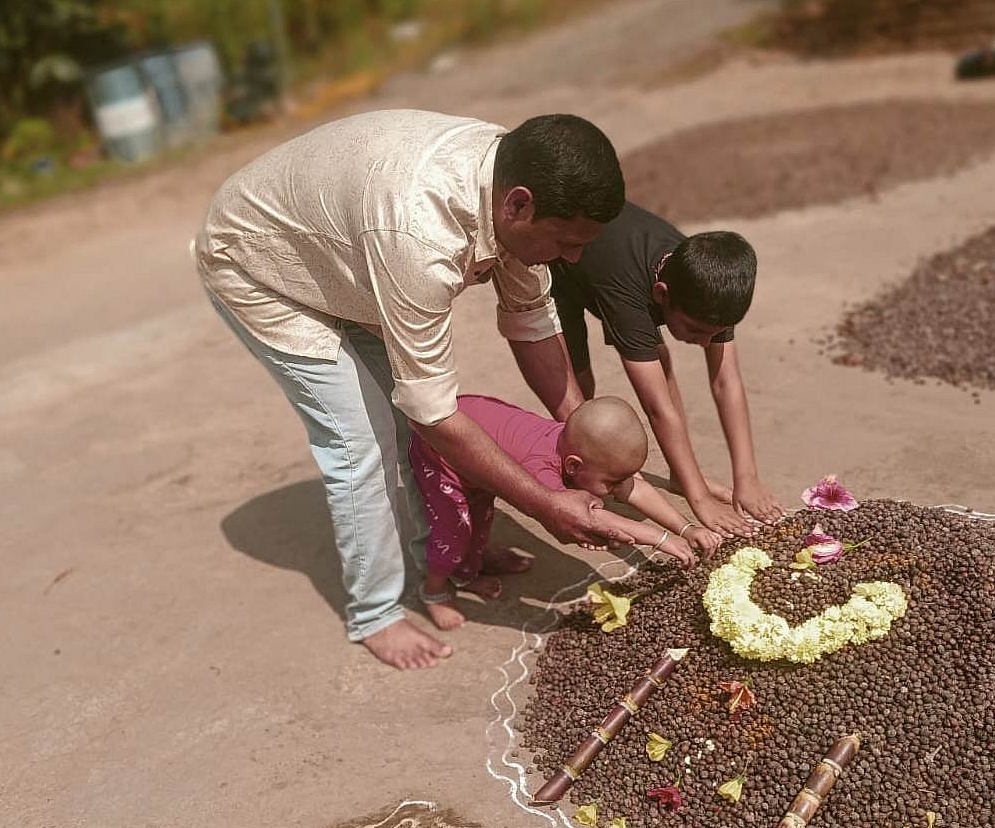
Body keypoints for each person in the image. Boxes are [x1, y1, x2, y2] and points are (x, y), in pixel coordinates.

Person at [195, 109, 625, 670]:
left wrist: (583, 440)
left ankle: (449, 554)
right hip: (259, 263)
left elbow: (532, 322)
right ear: (517, 205)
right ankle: (374, 613)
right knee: (364, 442)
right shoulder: (420, 235)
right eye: (567, 241)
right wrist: (545, 504)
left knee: (410, 434)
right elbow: (434, 413)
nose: (574, 258)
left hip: (344, 254)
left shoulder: (513, 180)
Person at [549, 202, 785, 538]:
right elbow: (658, 409)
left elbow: (725, 381)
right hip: (560, 268)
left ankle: (680, 473)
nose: (706, 343)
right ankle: (581, 472)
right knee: (576, 382)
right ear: (662, 294)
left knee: (659, 360)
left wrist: (746, 477)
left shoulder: (711, 286)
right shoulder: (630, 298)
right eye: (694, 330)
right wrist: (699, 498)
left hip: (613, 258)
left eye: (715, 334)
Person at [409, 393, 713, 630]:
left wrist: (686, 529)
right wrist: (660, 539)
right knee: (454, 533)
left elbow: (636, 488)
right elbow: (592, 517)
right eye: (612, 483)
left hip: (480, 448)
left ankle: (468, 571)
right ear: (572, 466)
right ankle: (434, 590)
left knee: (480, 515)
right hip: (444, 453)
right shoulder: (543, 471)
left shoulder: (579, 450)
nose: (618, 490)